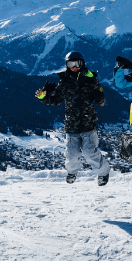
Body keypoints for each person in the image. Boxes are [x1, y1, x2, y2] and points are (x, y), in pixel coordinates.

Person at [35, 51, 110, 186]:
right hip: (71, 126)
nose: (75, 67)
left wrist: (98, 93)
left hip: (89, 125)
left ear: (83, 64)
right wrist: (43, 97)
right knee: (71, 154)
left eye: (78, 64)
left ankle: (103, 173)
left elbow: (101, 102)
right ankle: (72, 171)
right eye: (71, 64)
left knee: (89, 153)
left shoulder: (91, 79)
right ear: (67, 65)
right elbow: (56, 100)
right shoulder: (64, 81)